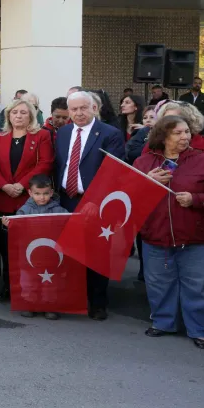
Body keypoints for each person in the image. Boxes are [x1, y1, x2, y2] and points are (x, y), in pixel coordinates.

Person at [133, 115, 204, 350]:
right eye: (178, 133)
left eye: (187, 132)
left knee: (196, 285)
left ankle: (199, 329)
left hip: (193, 236)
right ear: (163, 137)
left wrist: (195, 199)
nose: (185, 137)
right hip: (155, 234)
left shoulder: (201, 160)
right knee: (158, 283)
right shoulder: (143, 163)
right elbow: (127, 196)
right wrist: (146, 181)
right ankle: (163, 322)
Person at [54, 91, 126, 320]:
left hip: (97, 202)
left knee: (96, 253)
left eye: (83, 108)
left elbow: (114, 172)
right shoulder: (63, 133)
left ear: (94, 108)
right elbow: (61, 165)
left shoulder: (110, 134)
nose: (79, 113)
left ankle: (97, 303)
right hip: (66, 199)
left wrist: (95, 200)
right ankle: (73, 298)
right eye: (74, 109)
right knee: (69, 251)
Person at [0, 99, 54, 298]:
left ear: (31, 116)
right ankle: (9, 287)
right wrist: (4, 185)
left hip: (29, 200)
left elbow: (45, 164)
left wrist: (21, 185)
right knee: (6, 247)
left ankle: (30, 288)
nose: (18, 116)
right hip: (3, 199)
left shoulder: (41, 136)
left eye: (23, 112)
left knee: (27, 246)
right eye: (14, 112)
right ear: (8, 115)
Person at [1, 174, 68, 320]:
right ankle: (29, 303)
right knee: (29, 279)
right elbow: (17, 231)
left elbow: (68, 226)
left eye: (45, 194)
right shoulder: (24, 210)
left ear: (51, 192)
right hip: (29, 253)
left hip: (50, 255)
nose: (42, 197)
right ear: (30, 193)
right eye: (37, 194)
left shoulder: (59, 210)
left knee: (51, 281)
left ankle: (49, 305)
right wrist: (8, 226)